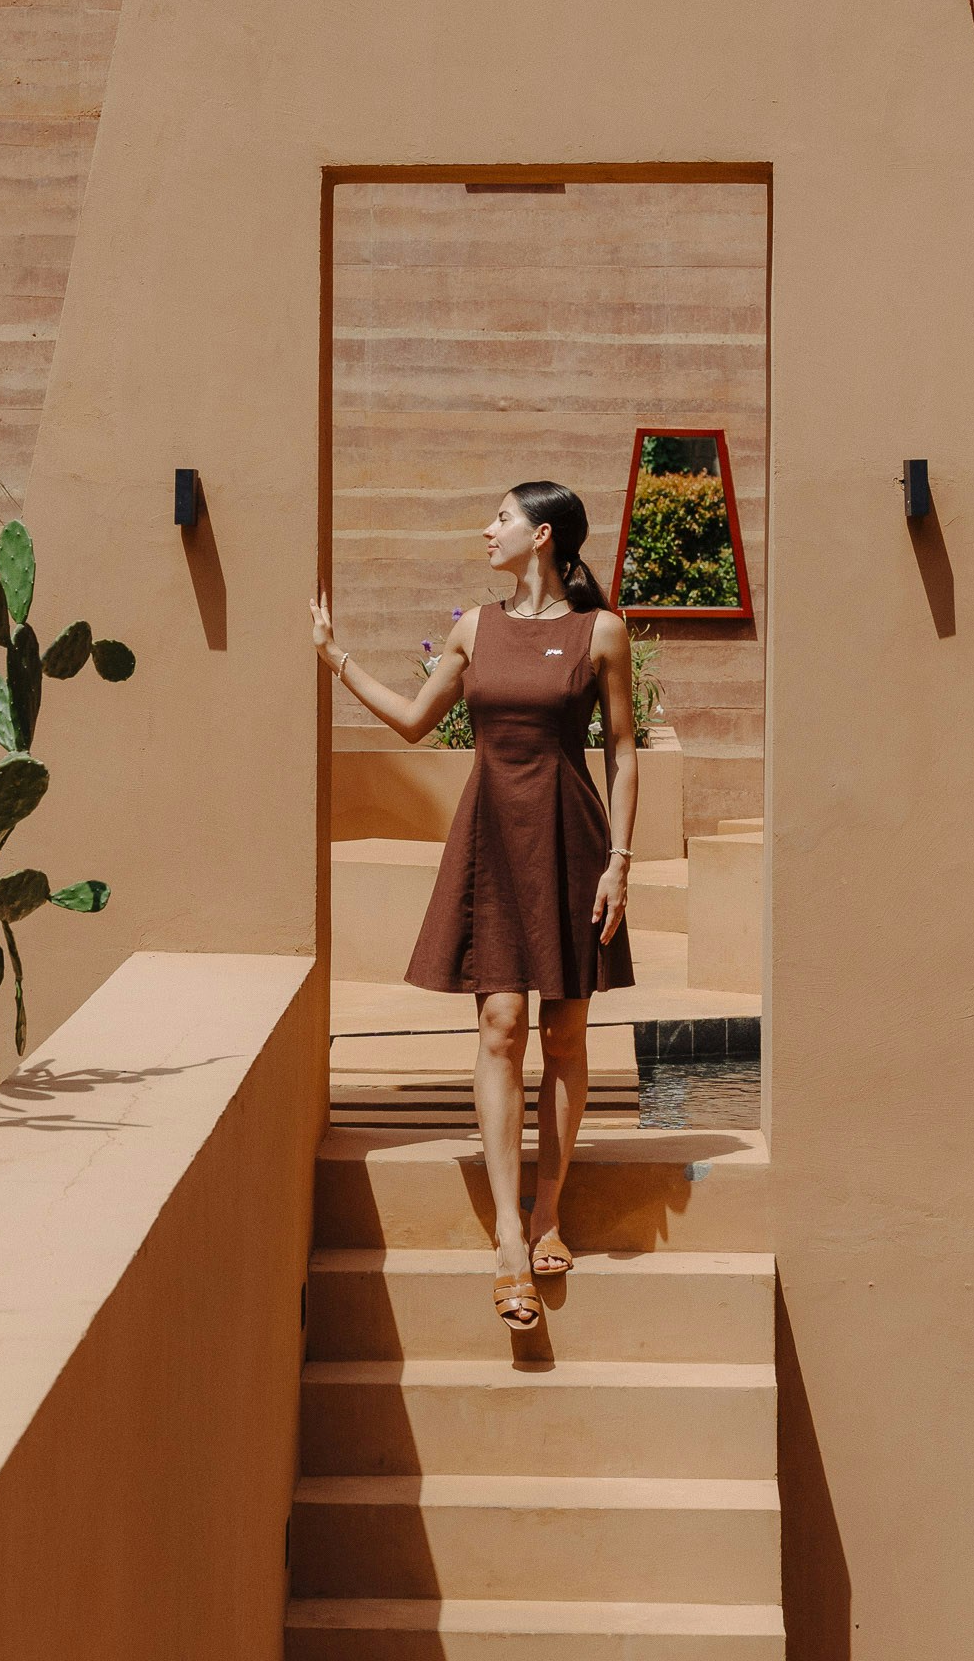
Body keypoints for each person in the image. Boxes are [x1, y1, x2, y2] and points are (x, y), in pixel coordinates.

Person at [314, 480, 636, 1332]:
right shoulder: (474, 628)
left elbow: (623, 749)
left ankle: (548, 1212)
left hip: (570, 839)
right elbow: (415, 721)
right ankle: (507, 1236)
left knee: (565, 1033)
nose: (486, 530)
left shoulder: (601, 632)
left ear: (543, 535)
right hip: (493, 835)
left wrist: (620, 861)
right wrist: (336, 657)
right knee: (500, 1023)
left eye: (502, 518)